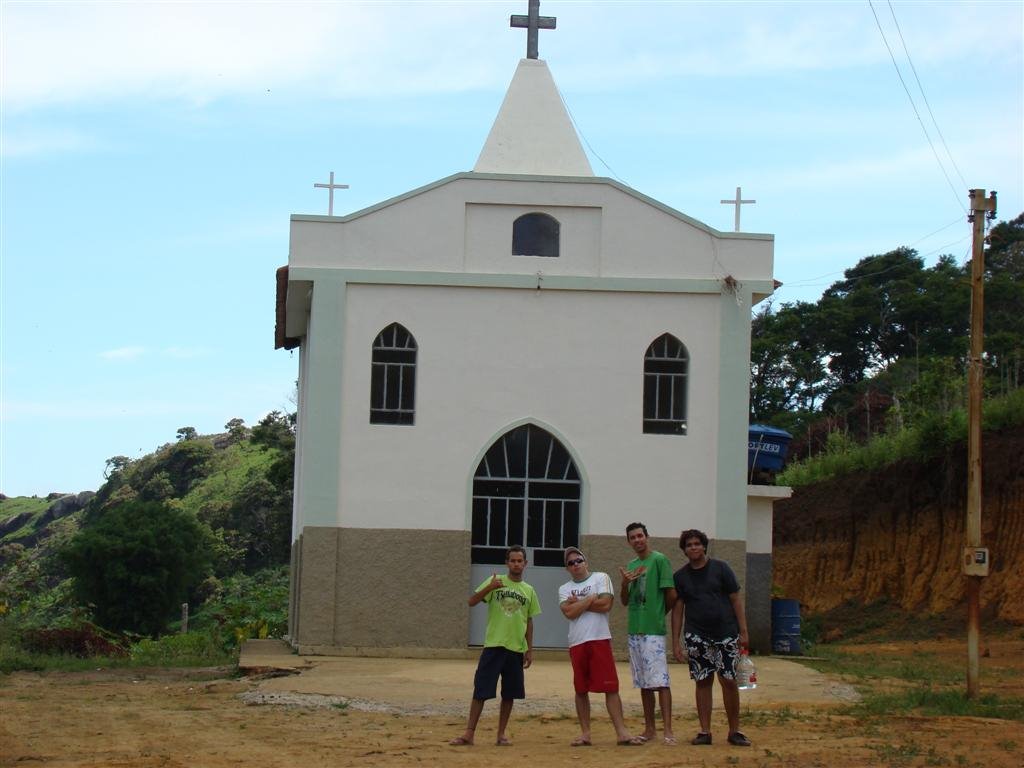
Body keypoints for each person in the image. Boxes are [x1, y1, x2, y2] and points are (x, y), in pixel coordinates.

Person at [450, 545, 541, 747]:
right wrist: (490, 587)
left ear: (525, 564)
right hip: (494, 645)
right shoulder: (495, 582)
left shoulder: (529, 591)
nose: (516, 564)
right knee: (481, 689)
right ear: (506, 563)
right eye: (512, 560)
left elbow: (529, 620)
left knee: (509, 693)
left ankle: (501, 734)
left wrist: (529, 649)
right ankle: (469, 733)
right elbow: (472, 601)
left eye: (520, 561)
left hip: (516, 649)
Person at [670, 528, 752, 747]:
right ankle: (705, 731)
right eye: (689, 545)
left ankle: (734, 731)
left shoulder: (721, 569)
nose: (693, 547)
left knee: (729, 680)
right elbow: (678, 610)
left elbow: (735, 600)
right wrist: (676, 642)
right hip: (697, 636)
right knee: (703, 681)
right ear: (684, 550)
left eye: (697, 543)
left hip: (726, 634)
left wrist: (743, 631)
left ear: (704, 546)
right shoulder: (680, 577)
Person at [558, 546, 645, 747]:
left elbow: (606, 604)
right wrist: (589, 599)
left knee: (610, 687)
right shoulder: (564, 589)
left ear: (585, 562)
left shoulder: (601, 578)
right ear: (567, 568)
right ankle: (585, 733)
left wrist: (579, 602)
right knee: (581, 689)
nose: (576, 564)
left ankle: (622, 732)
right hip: (577, 642)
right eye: (571, 563)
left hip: (599, 639)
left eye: (578, 560)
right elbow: (568, 613)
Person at [619, 521, 677, 745]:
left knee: (660, 681)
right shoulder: (632, 564)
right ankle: (649, 728)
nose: (637, 540)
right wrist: (624, 584)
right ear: (629, 542)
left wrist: (659, 613)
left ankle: (668, 730)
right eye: (632, 537)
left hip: (653, 631)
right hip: (635, 630)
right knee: (644, 683)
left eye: (640, 536)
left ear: (647, 536)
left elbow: (671, 595)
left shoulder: (660, 560)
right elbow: (625, 601)